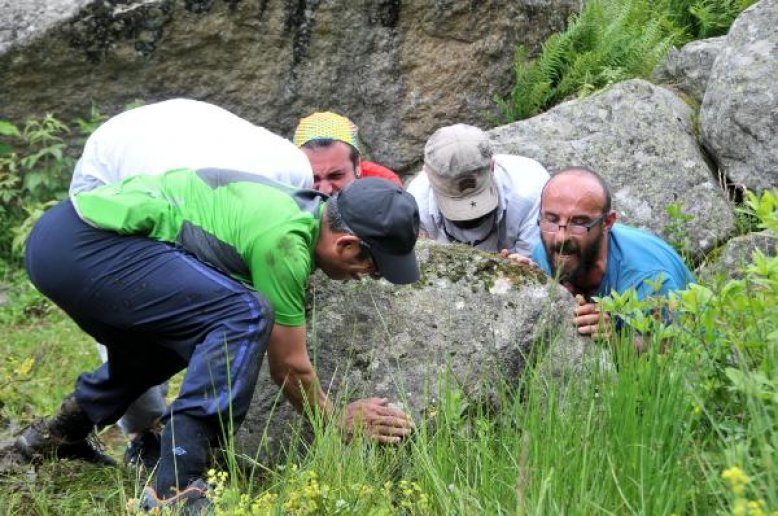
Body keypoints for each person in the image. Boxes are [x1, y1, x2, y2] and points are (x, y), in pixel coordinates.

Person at [16, 172, 419, 511]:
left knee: (169, 341)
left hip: (60, 240)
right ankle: (175, 487)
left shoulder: (300, 208)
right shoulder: (284, 241)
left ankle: (59, 434)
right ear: (346, 244)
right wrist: (336, 420)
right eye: (372, 265)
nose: (367, 276)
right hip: (87, 244)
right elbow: (289, 366)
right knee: (244, 313)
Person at [68, 98, 316, 469]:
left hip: (190, 135)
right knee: (138, 315)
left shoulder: (294, 174)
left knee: (236, 307)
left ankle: (186, 429)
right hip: (116, 168)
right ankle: (145, 433)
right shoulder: (172, 191)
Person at [529, 167, 695, 338]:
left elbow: (673, 353)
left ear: (607, 223)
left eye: (579, 223)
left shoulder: (650, 281)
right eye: (551, 220)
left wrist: (616, 340)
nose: (560, 239)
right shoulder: (543, 253)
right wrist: (523, 278)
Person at [407, 124, 549, 256]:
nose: (470, 218)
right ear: (427, 176)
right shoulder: (415, 206)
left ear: (493, 166)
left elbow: (536, 266)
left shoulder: (530, 189)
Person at [293, 111, 404, 194]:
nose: (324, 191)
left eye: (336, 176)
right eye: (313, 179)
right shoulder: (283, 190)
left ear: (357, 166)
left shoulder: (386, 188)